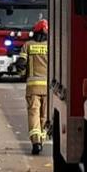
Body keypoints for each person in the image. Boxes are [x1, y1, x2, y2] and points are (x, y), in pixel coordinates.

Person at [26, 19, 50, 154]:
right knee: (44, 116)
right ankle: (42, 139)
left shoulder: (28, 45)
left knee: (33, 113)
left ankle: (36, 142)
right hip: (47, 87)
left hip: (33, 87)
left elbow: (21, 64)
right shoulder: (51, 46)